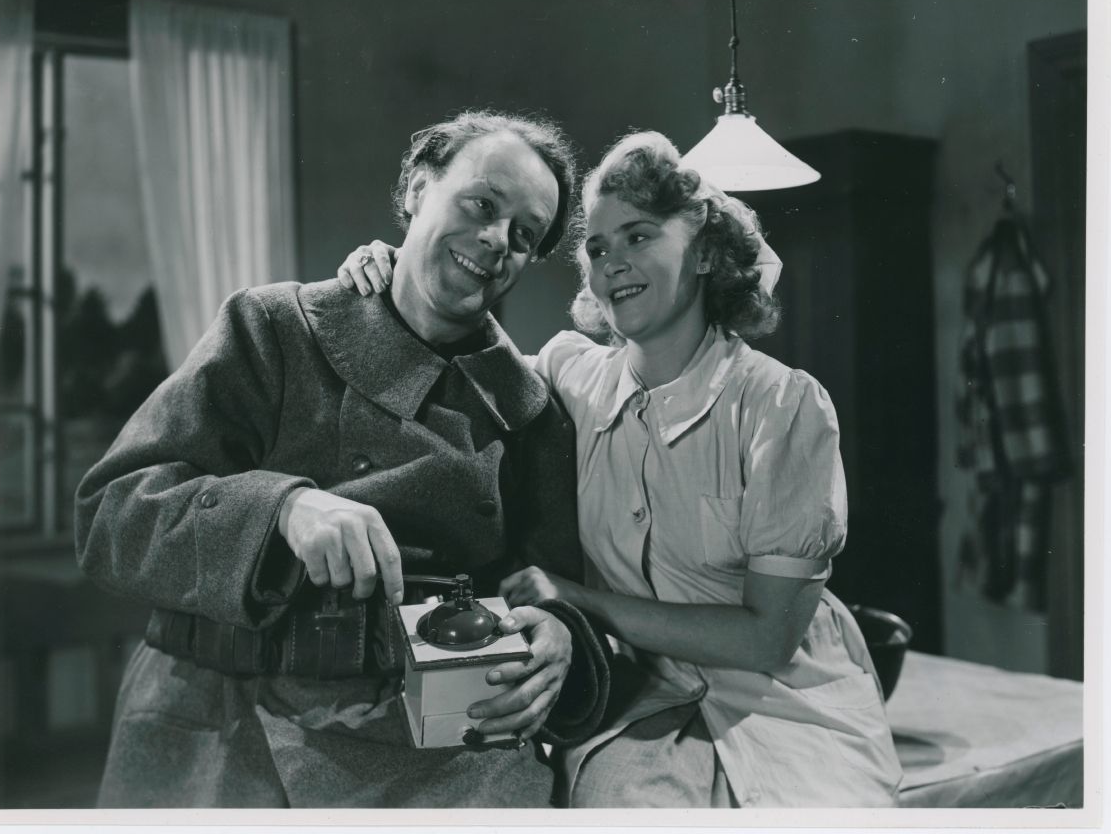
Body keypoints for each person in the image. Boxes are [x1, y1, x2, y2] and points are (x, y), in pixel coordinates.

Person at [339, 131, 905, 808]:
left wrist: (582, 600)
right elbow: (450, 354)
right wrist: (389, 276)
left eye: (638, 236)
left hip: (785, 711)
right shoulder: (565, 375)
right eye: (598, 248)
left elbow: (768, 637)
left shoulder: (781, 406)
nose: (612, 264)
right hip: (640, 708)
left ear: (705, 252)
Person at [75, 110, 613, 809]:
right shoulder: (272, 328)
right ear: (418, 188)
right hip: (219, 709)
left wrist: (560, 636)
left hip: (428, 744)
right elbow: (112, 515)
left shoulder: (529, 412)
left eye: (523, 235)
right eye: (482, 205)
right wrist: (282, 508)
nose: (495, 241)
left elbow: (548, 589)